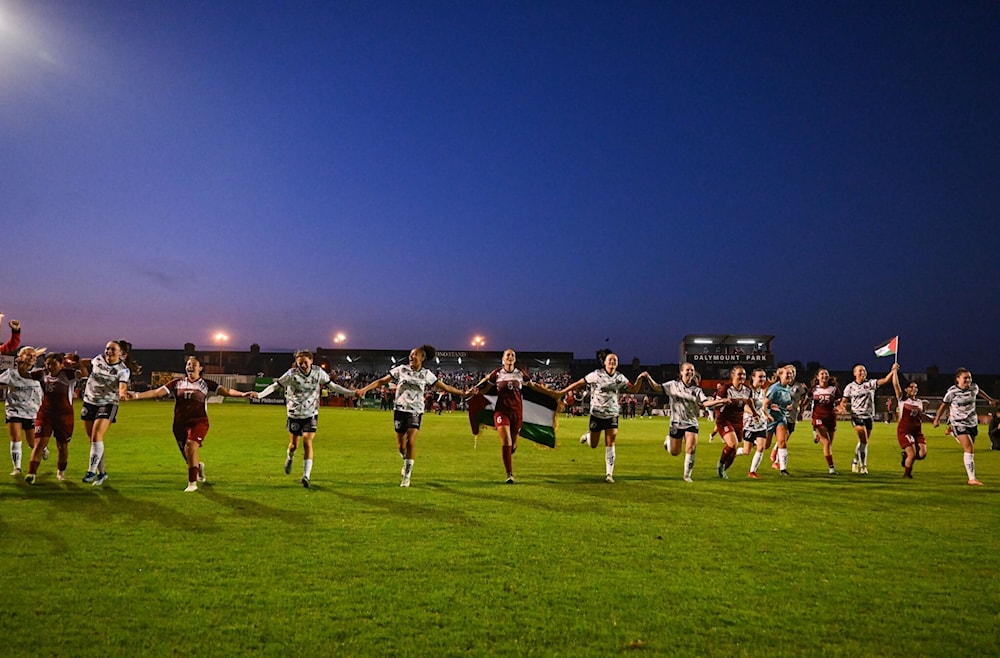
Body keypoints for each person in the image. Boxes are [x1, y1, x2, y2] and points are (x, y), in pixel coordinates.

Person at [127, 356, 251, 491]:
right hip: (179, 424)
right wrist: (137, 395)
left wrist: (243, 394)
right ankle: (198, 467)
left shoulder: (205, 384)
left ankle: (192, 484)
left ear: (200, 368)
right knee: (188, 456)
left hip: (199, 422)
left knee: (190, 446)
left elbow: (227, 391)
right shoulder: (177, 383)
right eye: (188, 364)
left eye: (193, 364)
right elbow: (157, 392)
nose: (190, 366)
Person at [356, 345, 470, 487]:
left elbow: (445, 387)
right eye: (410, 354)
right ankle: (406, 459)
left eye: (415, 354)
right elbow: (381, 381)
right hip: (399, 409)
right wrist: (364, 389)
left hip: (416, 410)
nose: (411, 356)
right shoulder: (401, 369)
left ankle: (407, 476)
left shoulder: (427, 374)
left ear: (422, 358)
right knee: (401, 446)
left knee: (411, 441)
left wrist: (463, 393)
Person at [250, 350, 357, 488]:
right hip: (294, 414)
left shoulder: (318, 373)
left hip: (311, 414)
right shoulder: (291, 374)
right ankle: (290, 457)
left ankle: (306, 476)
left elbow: (333, 386)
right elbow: (275, 386)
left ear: (311, 361)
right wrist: (259, 395)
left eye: (305, 362)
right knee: (294, 445)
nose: (303, 365)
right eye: (300, 363)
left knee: (307, 441)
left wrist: (351, 393)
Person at [474, 349, 561, 483]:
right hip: (501, 412)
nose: (510, 357)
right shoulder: (497, 374)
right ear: (503, 358)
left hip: (517, 413)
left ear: (515, 359)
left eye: (512, 355)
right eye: (507, 355)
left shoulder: (520, 373)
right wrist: (474, 393)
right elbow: (485, 389)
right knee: (506, 441)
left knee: (512, 445)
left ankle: (508, 453)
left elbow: (533, 386)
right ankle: (509, 474)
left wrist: (550, 393)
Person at [560, 352, 643, 483]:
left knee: (610, 443)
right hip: (597, 414)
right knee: (593, 445)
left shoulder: (620, 377)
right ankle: (588, 435)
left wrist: (640, 379)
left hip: (612, 414)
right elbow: (578, 383)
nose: (612, 362)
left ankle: (609, 474)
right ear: (604, 362)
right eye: (610, 360)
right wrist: (562, 392)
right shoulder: (596, 374)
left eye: (615, 360)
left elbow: (633, 390)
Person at [638, 362, 709, 482]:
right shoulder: (673, 385)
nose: (690, 372)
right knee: (675, 452)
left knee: (691, 448)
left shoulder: (697, 390)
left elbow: (705, 402)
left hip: (691, 423)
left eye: (692, 370)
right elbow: (657, 387)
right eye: (687, 370)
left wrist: (719, 401)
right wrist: (648, 378)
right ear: (681, 372)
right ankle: (668, 442)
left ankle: (687, 475)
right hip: (676, 423)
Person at [79, 340, 133, 486]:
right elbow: (82, 363)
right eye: (107, 348)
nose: (108, 352)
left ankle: (91, 471)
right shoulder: (98, 360)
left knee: (97, 436)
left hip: (108, 404)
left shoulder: (123, 370)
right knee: (94, 440)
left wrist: (122, 394)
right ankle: (102, 473)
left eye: (113, 349)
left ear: (121, 354)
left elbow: (122, 387)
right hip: (89, 402)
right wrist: (82, 375)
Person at [932, 368, 997, 486]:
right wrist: (937, 419)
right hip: (958, 422)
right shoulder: (952, 392)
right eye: (965, 378)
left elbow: (979, 391)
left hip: (972, 422)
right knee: (969, 449)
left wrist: (989, 400)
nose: (968, 380)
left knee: (969, 445)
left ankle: (953, 433)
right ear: (958, 379)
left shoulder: (974, 387)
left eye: (969, 378)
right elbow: (943, 406)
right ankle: (971, 478)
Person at [30, 352, 86, 482]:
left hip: (64, 415)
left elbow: (83, 374)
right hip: (45, 413)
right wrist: (22, 364)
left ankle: (61, 471)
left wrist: (79, 362)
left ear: (61, 365)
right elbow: (24, 374)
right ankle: (32, 473)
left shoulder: (67, 374)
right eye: (48, 363)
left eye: (54, 364)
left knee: (62, 446)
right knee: (39, 444)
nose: (50, 366)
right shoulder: (42, 374)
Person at [1, 346, 44, 480]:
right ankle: (17, 468)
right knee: (16, 439)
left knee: (32, 443)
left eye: (34, 356)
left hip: (32, 412)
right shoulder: (11, 373)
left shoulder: (39, 373)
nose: (32, 358)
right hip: (14, 410)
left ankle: (43, 448)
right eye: (28, 355)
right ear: (20, 356)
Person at [842, 364, 893, 473]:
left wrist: (893, 371)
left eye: (864, 370)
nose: (862, 372)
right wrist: (841, 407)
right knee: (864, 441)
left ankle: (855, 461)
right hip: (856, 416)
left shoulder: (870, 384)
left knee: (863, 442)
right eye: (860, 371)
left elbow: (884, 380)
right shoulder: (850, 387)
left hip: (869, 416)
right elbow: (843, 401)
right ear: (854, 373)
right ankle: (863, 467)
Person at [707, 366, 757, 479]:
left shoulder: (747, 389)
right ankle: (720, 465)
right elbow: (716, 404)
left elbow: (748, 403)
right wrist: (724, 402)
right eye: (739, 374)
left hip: (738, 421)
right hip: (724, 419)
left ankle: (724, 470)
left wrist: (754, 413)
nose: (742, 376)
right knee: (733, 444)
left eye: (744, 374)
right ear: (733, 375)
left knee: (733, 450)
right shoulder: (726, 389)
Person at [890, 364, 930, 478]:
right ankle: (907, 475)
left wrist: (934, 420)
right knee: (912, 454)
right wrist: (894, 371)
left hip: (917, 432)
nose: (914, 389)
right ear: (906, 389)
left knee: (922, 454)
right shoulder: (903, 400)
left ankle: (906, 456)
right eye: (911, 387)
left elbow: (921, 416)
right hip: (905, 431)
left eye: (916, 387)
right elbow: (895, 384)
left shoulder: (920, 402)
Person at [757, 366, 798, 477]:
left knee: (782, 442)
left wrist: (787, 407)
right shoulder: (774, 388)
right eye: (787, 373)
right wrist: (767, 415)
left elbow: (784, 403)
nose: (790, 375)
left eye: (791, 374)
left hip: (781, 418)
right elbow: (765, 405)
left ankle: (783, 469)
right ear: (780, 375)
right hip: (770, 419)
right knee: (766, 446)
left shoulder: (789, 389)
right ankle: (753, 442)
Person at [807, 369, 842, 475]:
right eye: (822, 374)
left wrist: (840, 407)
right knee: (826, 442)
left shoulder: (833, 389)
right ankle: (831, 468)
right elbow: (806, 400)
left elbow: (839, 401)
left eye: (826, 373)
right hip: (818, 417)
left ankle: (817, 436)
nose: (824, 375)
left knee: (829, 443)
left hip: (831, 418)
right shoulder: (814, 389)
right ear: (817, 377)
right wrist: (801, 411)